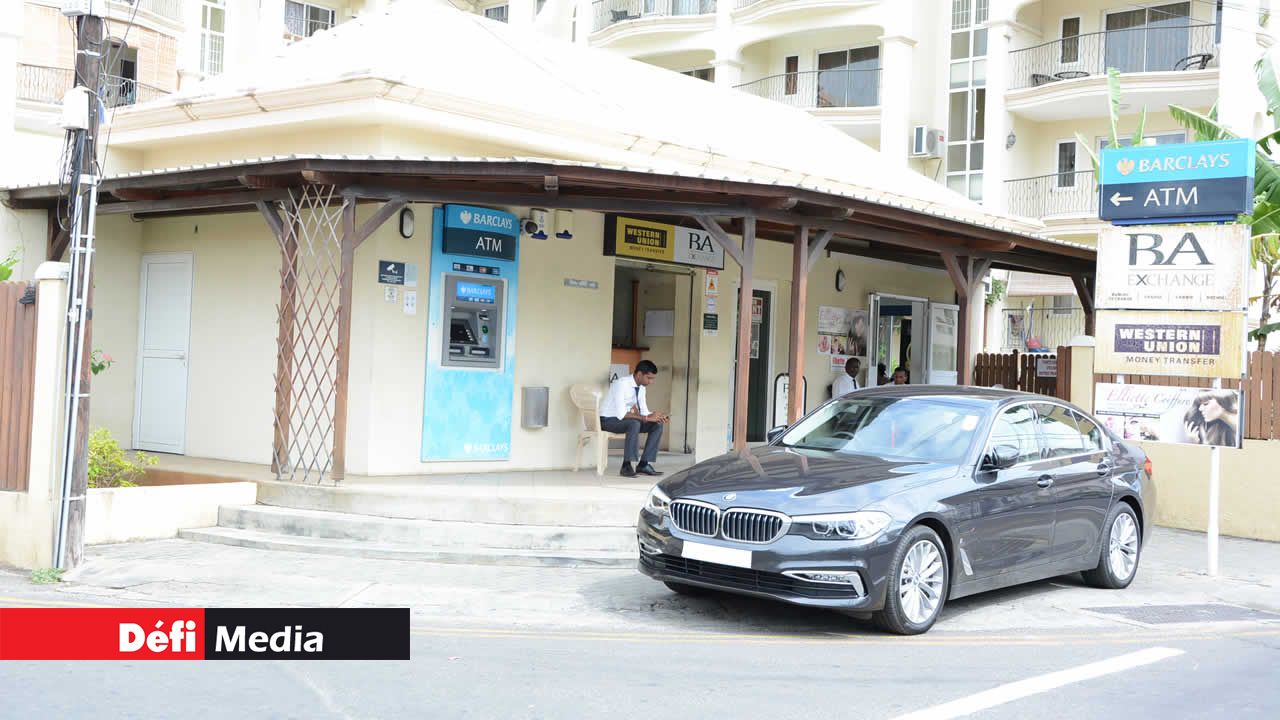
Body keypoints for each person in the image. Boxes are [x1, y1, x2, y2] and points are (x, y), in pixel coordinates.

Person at [600, 360, 669, 477]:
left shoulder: (641, 388)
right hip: (607, 420)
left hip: (623, 421)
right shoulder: (621, 384)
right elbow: (622, 414)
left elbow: (644, 411)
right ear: (639, 374)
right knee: (634, 423)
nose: (651, 382)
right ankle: (626, 465)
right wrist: (646, 417)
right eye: (649, 378)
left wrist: (655, 416)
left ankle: (643, 464)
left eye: (652, 379)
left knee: (657, 424)